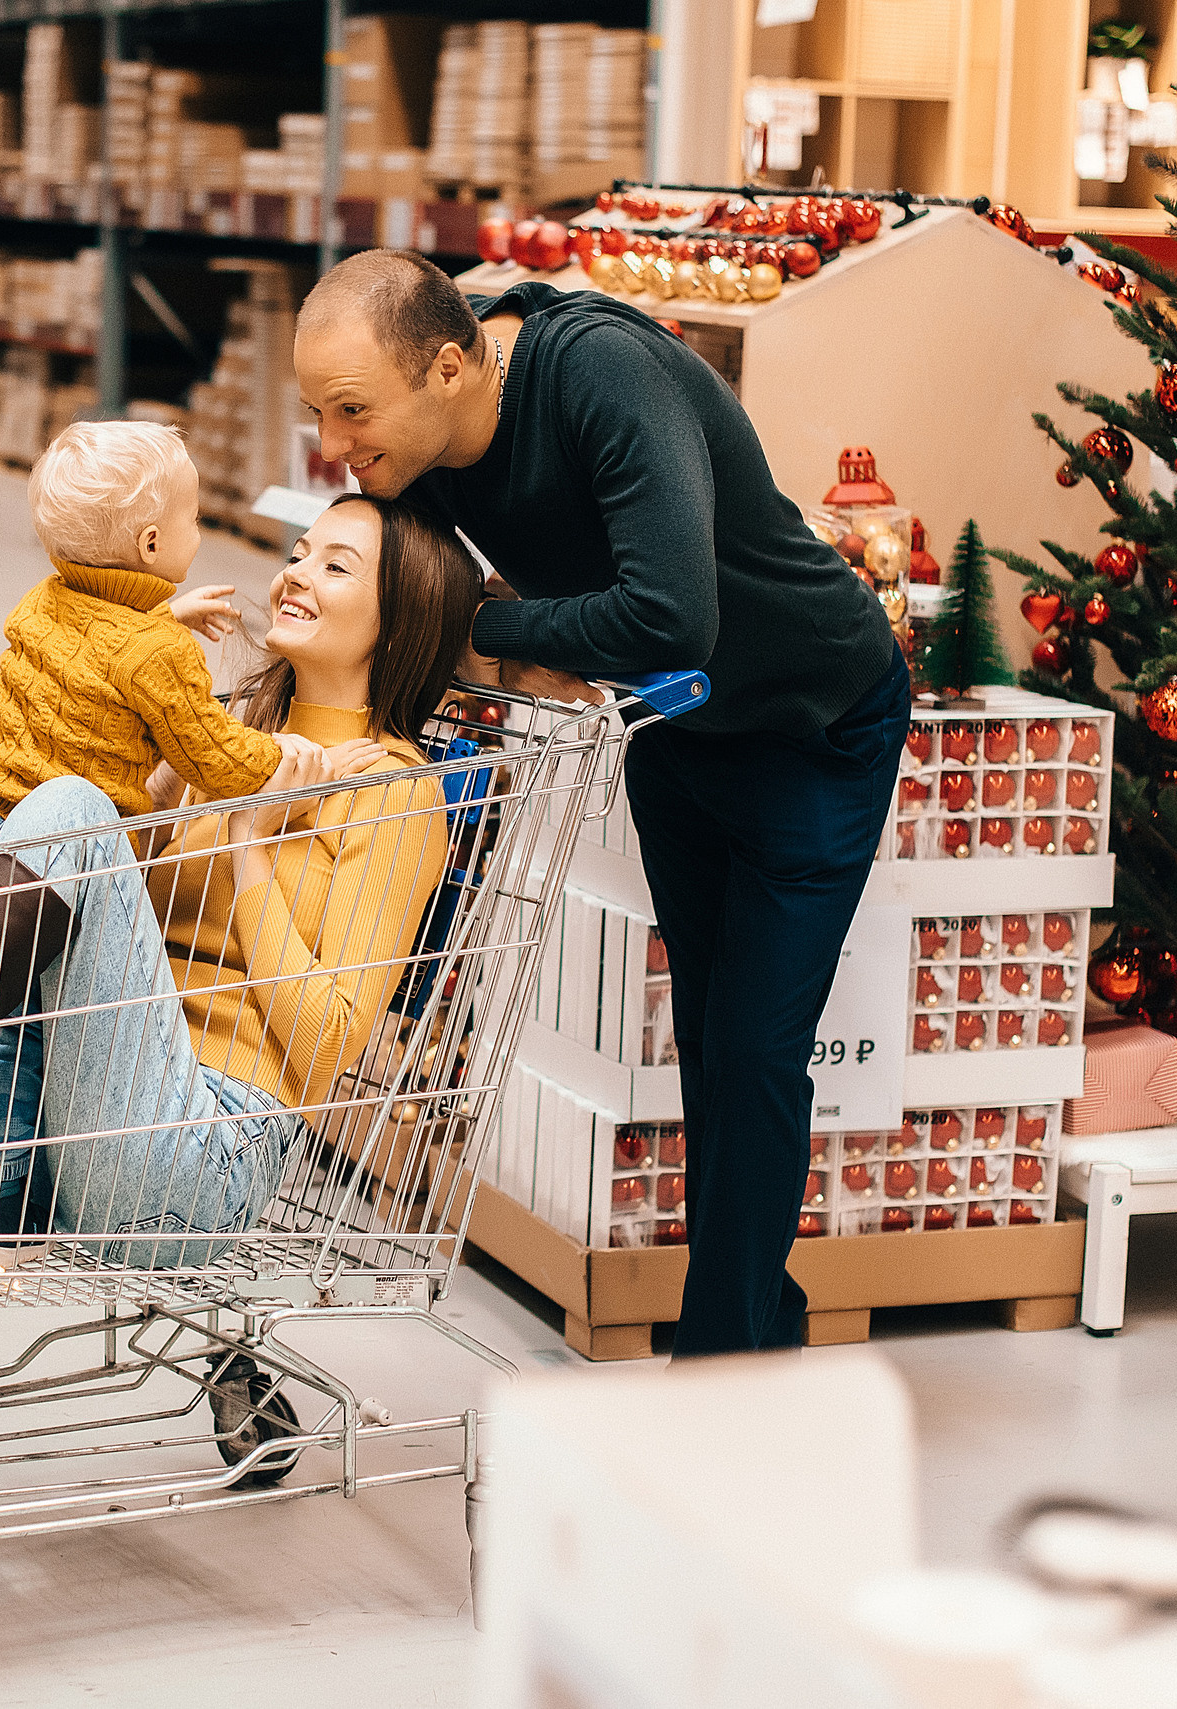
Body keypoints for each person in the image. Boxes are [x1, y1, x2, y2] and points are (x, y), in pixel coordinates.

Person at [292, 248, 908, 1356]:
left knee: (758, 1047)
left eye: (350, 410)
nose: (332, 445)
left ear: (447, 366)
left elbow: (672, 619)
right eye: (318, 412)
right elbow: (409, 596)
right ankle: (761, 1323)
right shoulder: (420, 448)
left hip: (814, 722)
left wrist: (492, 623)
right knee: (713, 1042)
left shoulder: (600, 376)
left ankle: (718, 1365)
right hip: (678, 731)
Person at [0, 494, 477, 1265]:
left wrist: (246, 840)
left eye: (335, 566)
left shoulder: (394, 790)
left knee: (70, 805)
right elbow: (101, 913)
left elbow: (326, 1048)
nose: (295, 575)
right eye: (298, 552)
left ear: (398, 623)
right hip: (79, 1095)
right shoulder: (229, 745)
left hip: (197, 1151)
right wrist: (149, 729)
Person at [0, 419, 322, 1157]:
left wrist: (160, 617)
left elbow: (93, 655)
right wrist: (286, 757)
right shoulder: (160, 652)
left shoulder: (41, 603)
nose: (200, 531)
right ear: (150, 546)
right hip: (46, 868)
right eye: (194, 518)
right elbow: (213, 755)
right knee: (16, 1038)